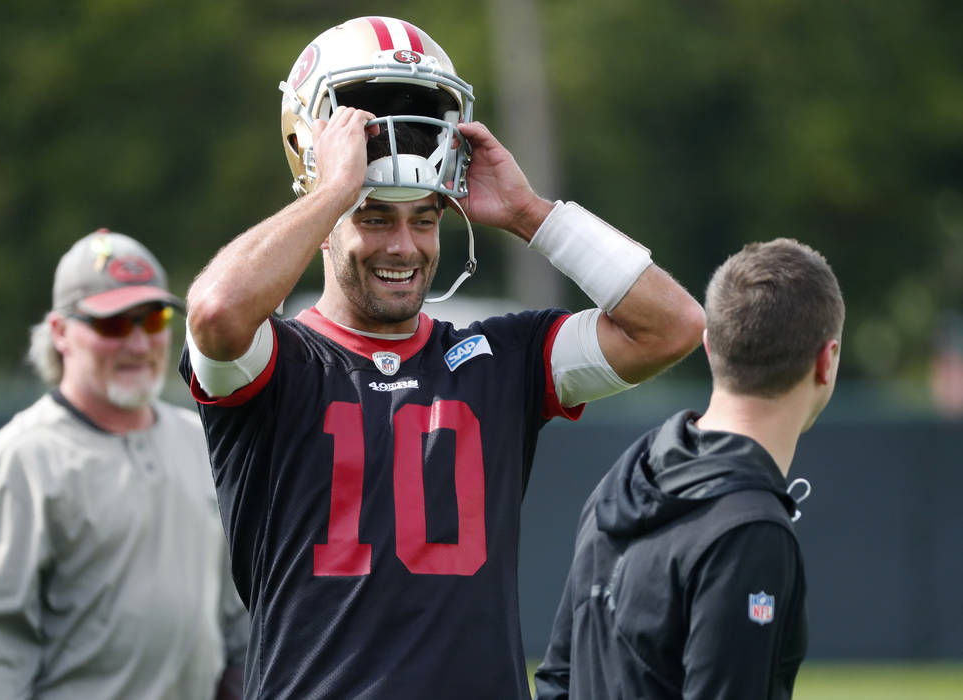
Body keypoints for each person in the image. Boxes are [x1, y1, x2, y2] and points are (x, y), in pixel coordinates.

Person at [181, 15, 705, 699]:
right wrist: (335, 189)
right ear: (323, 213)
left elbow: (673, 326)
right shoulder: (276, 362)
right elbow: (216, 311)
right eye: (375, 218)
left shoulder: (497, 359)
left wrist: (530, 213)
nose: (403, 246)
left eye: (424, 218)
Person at [0, 230, 249, 699]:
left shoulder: (201, 444)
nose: (139, 344)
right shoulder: (17, 464)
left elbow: (236, 628)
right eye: (113, 325)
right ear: (60, 333)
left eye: (153, 319)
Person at [534, 238, 845, 700]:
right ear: (826, 360)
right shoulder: (750, 530)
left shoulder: (626, 477)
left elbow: (558, 680)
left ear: (708, 345)